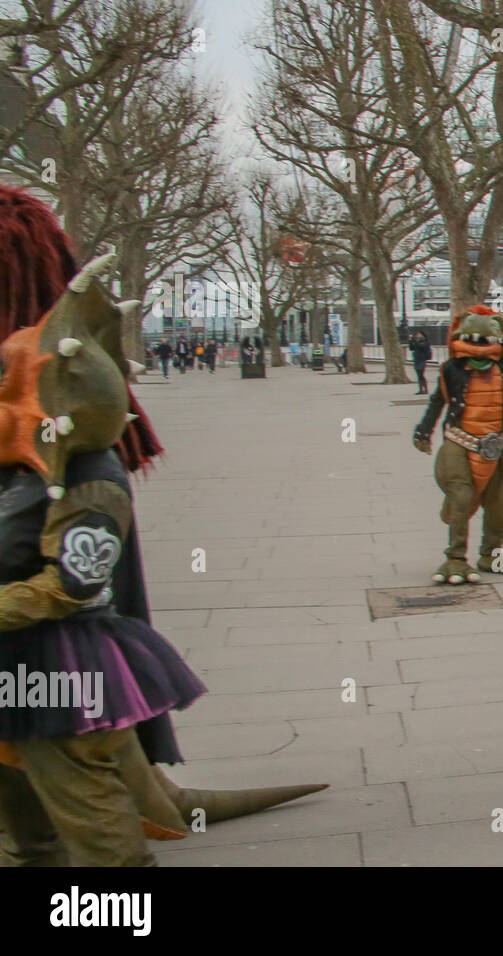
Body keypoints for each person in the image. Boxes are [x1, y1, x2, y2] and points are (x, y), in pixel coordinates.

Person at [0, 186, 325, 866]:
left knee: (82, 800)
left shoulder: (84, 472)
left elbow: (70, 584)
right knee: (38, 813)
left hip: (57, 664)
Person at [413, 305, 503, 585]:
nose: (479, 347)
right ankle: (456, 558)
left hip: (495, 447)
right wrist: (424, 432)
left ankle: (492, 554)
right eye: (472, 340)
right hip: (460, 442)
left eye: (486, 341)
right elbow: (439, 401)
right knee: (460, 497)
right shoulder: (451, 370)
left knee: (497, 502)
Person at [409, 330, 432, 395]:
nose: (417, 335)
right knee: (419, 375)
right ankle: (421, 389)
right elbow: (411, 348)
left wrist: (413, 339)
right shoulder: (418, 341)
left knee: (421, 374)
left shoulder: (425, 342)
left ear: (422, 335)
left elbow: (420, 346)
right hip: (417, 360)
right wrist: (410, 341)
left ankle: (425, 389)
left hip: (422, 360)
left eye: (419, 334)